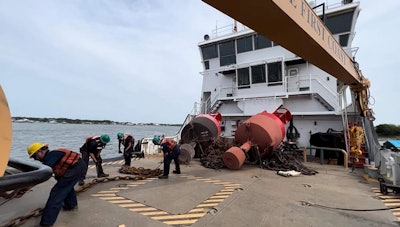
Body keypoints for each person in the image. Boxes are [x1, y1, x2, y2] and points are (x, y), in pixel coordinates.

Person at [27, 142, 85, 227]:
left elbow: (42, 175)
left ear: (40, 151)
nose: (35, 159)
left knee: (56, 193)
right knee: (65, 185)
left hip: (75, 169)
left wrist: (28, 186)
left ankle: (46, 223)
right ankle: (71, 205)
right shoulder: (53, 155)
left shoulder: (51, 156)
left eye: (34, 156)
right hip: (78, 167)